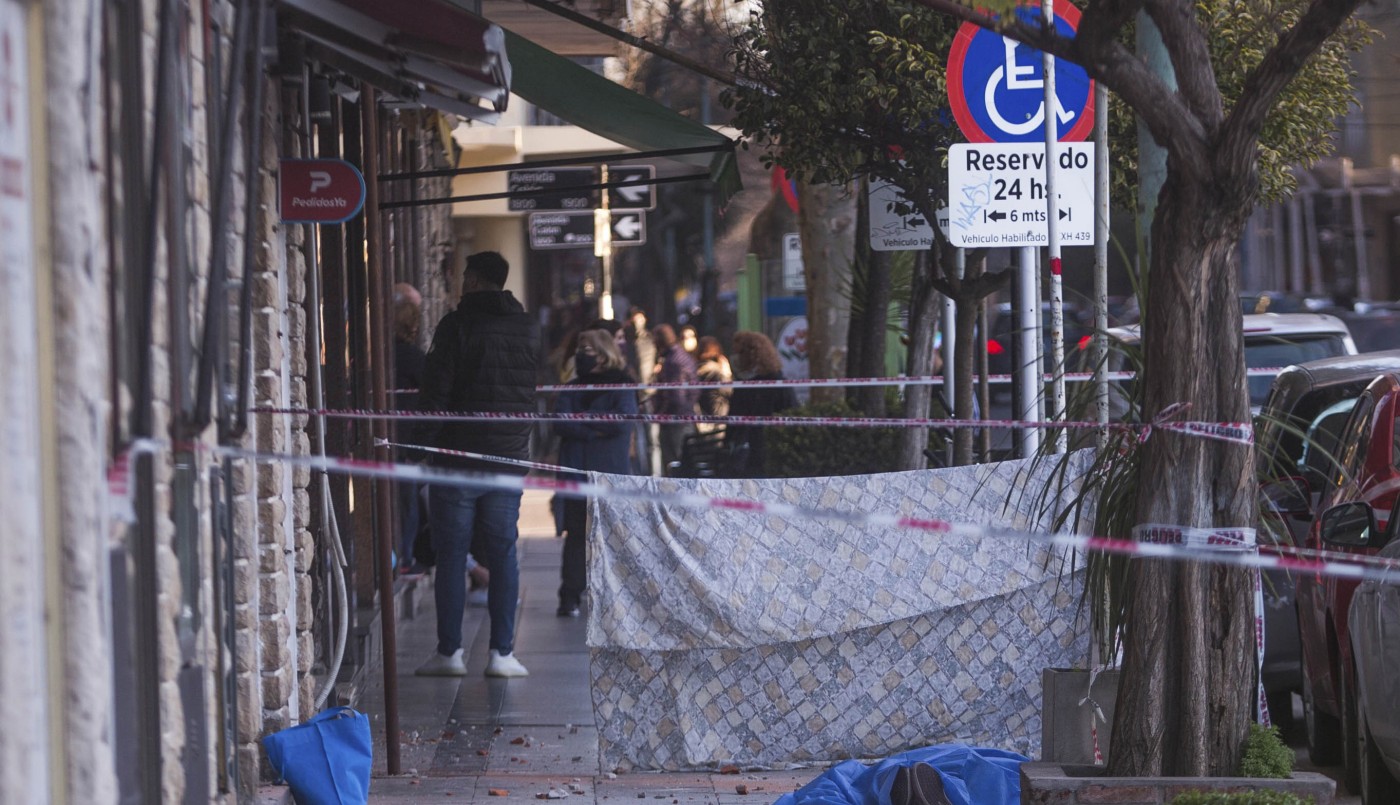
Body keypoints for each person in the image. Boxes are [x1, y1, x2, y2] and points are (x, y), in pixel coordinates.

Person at [417, 251, 538, 678]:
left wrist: (419, 451)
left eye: (465, 276)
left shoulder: (456, 326)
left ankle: (450, 653)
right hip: (506, 459)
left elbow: (436, 394)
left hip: (458, 458)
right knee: (504, 551)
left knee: (452, 554)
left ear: (473, 281)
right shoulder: (527, 328)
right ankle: (501, 654)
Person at [552, 329, 637, 617]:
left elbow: (622, 423)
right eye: (579, 348)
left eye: (586, 349)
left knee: (611, 537)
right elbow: (561, 423)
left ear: (602, 354)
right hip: (577, 473)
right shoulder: (572, 387)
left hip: (610, 474)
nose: (580, 355)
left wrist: (583, 426)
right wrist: (595, 429)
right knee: (576, 535)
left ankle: (613, 596)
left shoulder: (622, 386)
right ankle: (570, 595)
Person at [726, 331, 798, 478]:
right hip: (752, 453)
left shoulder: (775, 385)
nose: (735, 358)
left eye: (739, 353)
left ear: (751, 354)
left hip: (763, 454)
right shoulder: (774, 382)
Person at [651, 324, 699, 474]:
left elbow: (675, 396)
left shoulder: (673, 362)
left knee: (674, 466)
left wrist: (660, 414)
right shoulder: (684, 357)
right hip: (686, 417)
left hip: (674, 422)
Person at [625, 307, 658, 475]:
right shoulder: (626, 343)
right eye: (634, 320)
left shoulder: (651, 341)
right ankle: (640, 473)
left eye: (640, 320)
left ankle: (653, 474)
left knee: (652, 439)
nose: (638, 324)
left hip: (649, 394)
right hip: (634, 393)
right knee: (636, 440)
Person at [694, 335, 732, 434]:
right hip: (718, 419)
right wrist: (727, 374)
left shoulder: (694, 370)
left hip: (700, 420)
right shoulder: (717, 372)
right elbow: (729, 391)